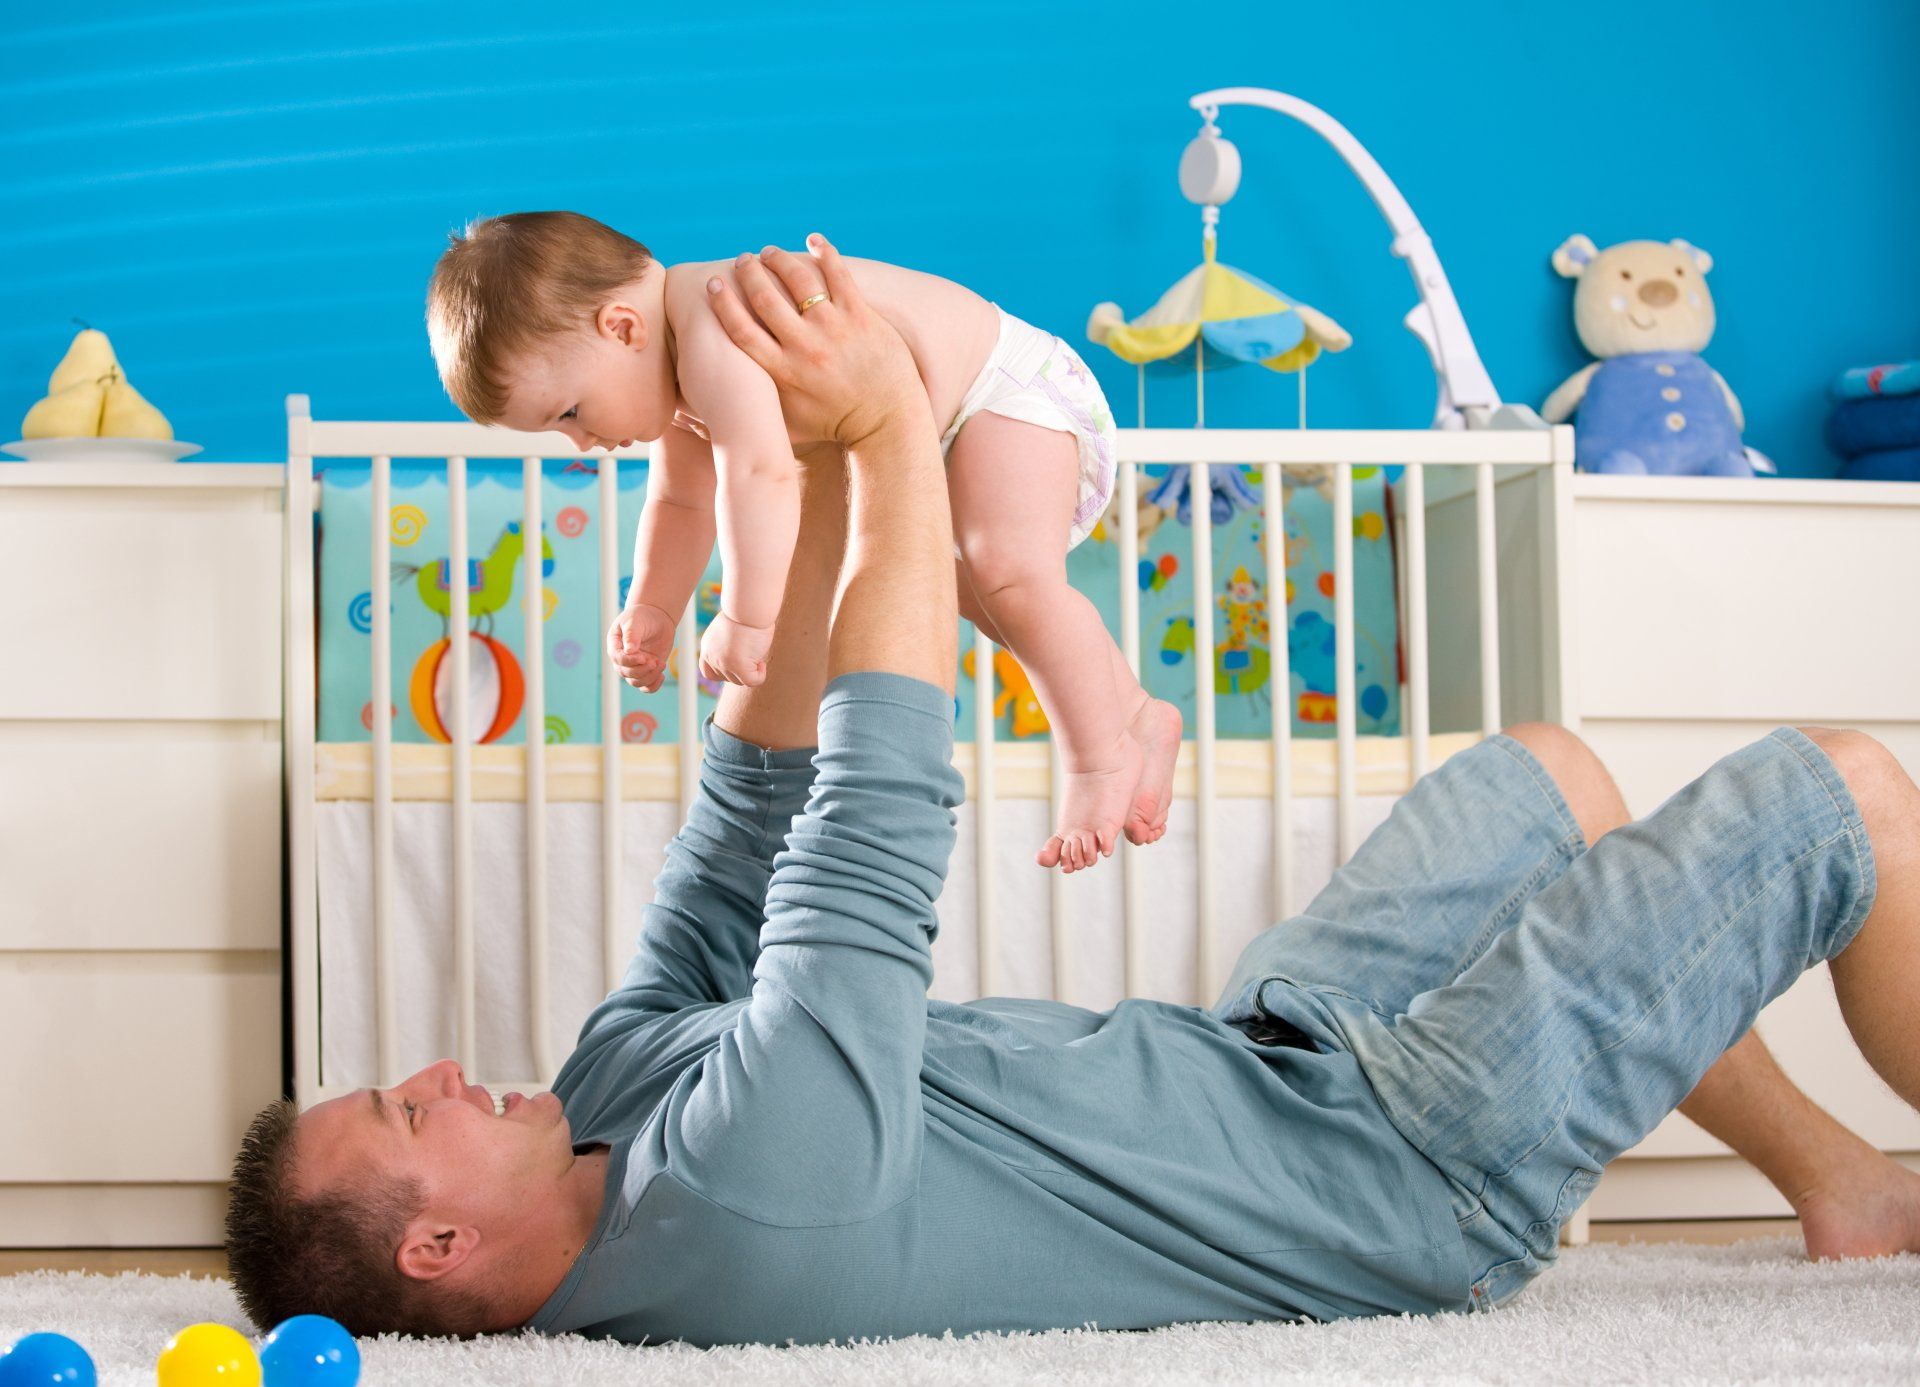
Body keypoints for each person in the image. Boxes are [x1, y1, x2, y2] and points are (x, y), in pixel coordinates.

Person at [229, 237, 1920, 1348]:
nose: (438, 1070)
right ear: (436, 1248)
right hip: (1403, 1166)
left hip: (1275, 1045)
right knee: (1843, 786)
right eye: (406, 1110)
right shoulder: (728, 1205)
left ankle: (1840, 1179)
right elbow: (871, 819)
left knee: (1551, 770)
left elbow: (750, 821)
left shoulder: (608, 1090)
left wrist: (819, 494)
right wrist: (891, 437)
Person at [424, 211, 1180, 873]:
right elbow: (680, 501)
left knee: (1011, 576)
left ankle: (1098, 759)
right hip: (956, 422)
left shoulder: (714, 328)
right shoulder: (677, 375)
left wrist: (745, 618)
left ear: (622, 328)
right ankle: (1135, 708)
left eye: (570, 413)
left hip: (1008, 389)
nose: (583, 443)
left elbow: (761, 474)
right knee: (973, 587)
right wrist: (652, 606)